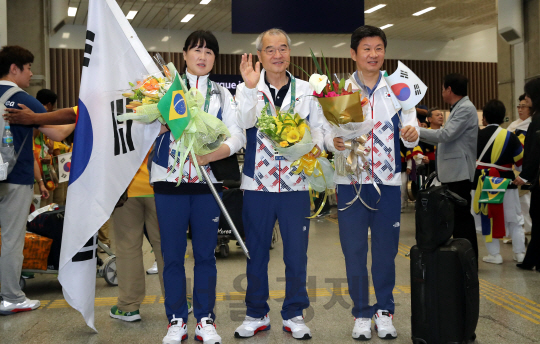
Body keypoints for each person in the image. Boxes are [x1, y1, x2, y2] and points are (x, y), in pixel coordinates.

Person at [325, 25, 419, 340]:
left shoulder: (398, 88)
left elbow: (411, 127)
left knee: (385, 252)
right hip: (350, 181)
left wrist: (411, 134)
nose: (373, 54)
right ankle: (362, 313)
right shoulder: (339, 90)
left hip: (388, 183)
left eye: (378, 48)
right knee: (353, 251)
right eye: (366, 48)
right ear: (353, 53)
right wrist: (332, 142)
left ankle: (385, 311)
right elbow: (324, 132)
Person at [152, 31, 245, 344]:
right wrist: (161, 122)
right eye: (196, 50)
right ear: (184, 54)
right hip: (168, 183)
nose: (202, 56)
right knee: (173, 256)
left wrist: (212, 155)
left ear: (215, 58)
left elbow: (237, 136)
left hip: (208, 184)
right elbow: (143, 133)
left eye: (209, 51)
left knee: (206, 255)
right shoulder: (165, 90)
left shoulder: (221, 94)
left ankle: (205, 319)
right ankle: (176, 320)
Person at [234, 28, 324, 340]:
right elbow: (243, 122)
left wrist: (317, 147)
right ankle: (255, 313)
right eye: (269, 50)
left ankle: (295, 313)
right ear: (260, 56)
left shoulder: (306, 89)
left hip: (295, 185)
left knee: (296, 253)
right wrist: (248, 88)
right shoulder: (248, 87)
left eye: (282, 48)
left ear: (289, 52)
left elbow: (321, 129)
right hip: (257, 185)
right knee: (256, 251)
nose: (277, 55)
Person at [0, 45, 73, 315]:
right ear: (14, 68)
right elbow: (56, 134)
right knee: (11, 239)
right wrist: (79, 116)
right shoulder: (21, 99)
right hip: (15, 179)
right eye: (28, 68)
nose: (31, 74)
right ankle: (11, 298)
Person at [419, 73, 479, 261]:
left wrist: (416, 131)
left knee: (462, 218)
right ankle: (461, 257)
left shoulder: (465, 109)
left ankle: (469, 259)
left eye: (443, 88)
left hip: (459, 172)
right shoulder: (458, 108)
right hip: (454, 172)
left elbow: (446, 135)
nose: (442, 92)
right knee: (456, 218)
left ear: (449, 90)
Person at [109, 153, 169, 322]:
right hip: (160, 185)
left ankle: (128, 307)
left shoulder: (114, 123)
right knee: (166, 245)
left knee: (128, 248)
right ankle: (177, 301)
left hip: (126, 188)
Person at [471, 100, 526, 264]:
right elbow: (520, 163)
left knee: (487, 217)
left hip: (482, 181)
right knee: (515, 219)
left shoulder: (476, 135)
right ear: (503, 118)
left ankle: (495, 255)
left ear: (484, 118)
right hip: (506, 181)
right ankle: (520, 253)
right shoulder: (511, 136)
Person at [513, 78, 540, 271]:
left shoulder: (537, 119)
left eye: (528, 95)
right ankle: (533, 259)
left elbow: (535, 152)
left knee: (536, 215)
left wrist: (524, 176)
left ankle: (533, 259)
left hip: (537, 177)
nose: (526, 99)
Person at [508, 94, 533, 235]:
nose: (520, 109)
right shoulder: (514, 125)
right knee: (516, 202)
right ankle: (519, 231)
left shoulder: (532, 124)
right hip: (513, 167)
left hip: (527, 167)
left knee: (526, 201)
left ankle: (529, 229)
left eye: (524, 106)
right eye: (519, 106)